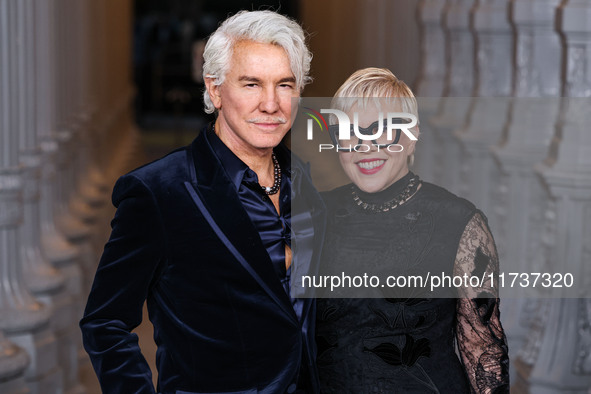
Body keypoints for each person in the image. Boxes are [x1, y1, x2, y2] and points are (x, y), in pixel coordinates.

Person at [80, 10, 325, 394]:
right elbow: (105, 322)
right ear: (214, 89)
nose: (271, 103)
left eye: (284, 85)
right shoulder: (158, 192)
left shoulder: (306, 180)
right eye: (251, 84)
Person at [314, 68, 509, 393]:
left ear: (412, 135)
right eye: (349, 132)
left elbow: (484, 350)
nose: (365, 145)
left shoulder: (458, 221)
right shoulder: (315, 214)